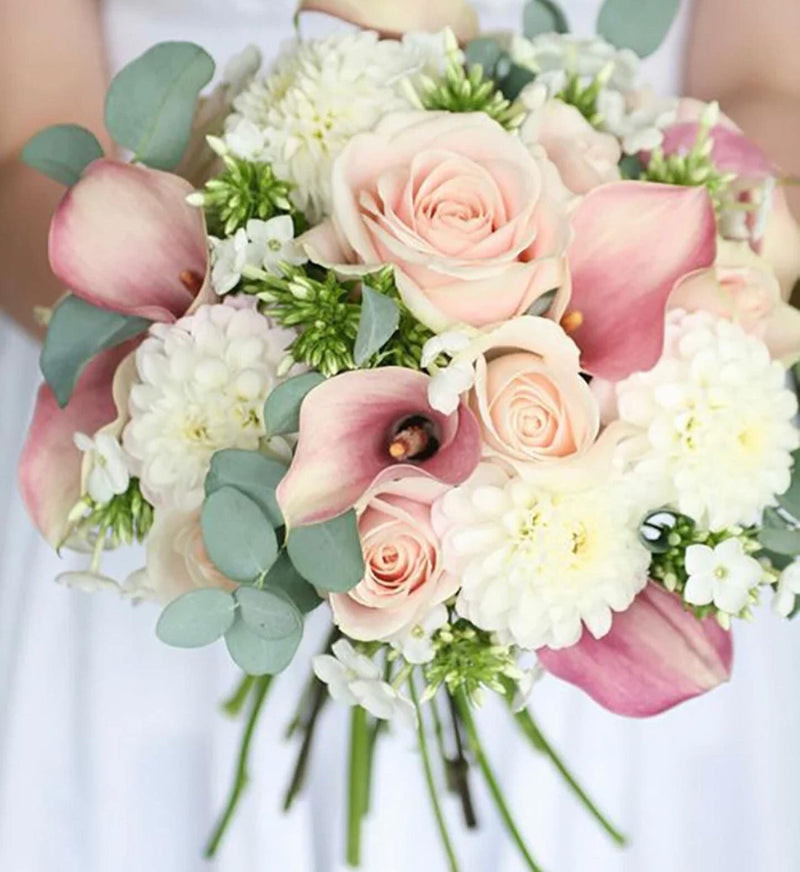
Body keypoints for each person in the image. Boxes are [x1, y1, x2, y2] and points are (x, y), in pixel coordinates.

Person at [0, 1, 799, 870]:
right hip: (181, 487)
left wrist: (650, 298)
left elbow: (764, 88)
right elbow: (19, 163)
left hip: (587, 554)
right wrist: (257, 311)